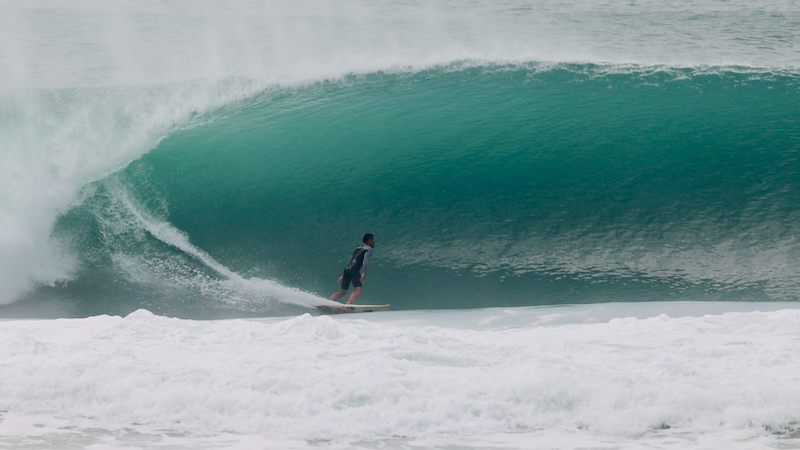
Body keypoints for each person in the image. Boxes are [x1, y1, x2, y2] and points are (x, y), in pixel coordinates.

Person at [329, 233, 375, 304]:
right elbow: (366, 260)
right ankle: (348, 304)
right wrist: (364, 273)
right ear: (369, 241)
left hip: (347, 269)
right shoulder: (369, 249)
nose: (374, 242)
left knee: (342, 292)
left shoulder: (357, 248)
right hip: (354, 270)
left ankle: (328, 303)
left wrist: (344, 274)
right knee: (358, 290)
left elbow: (351, 260)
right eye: (373, 240)